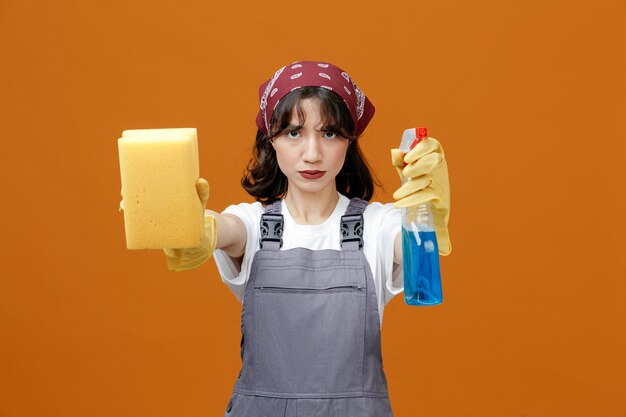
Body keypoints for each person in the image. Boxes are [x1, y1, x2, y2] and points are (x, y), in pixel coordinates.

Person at [163, 61, 451, 417]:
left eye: (329, 133)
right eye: (294, 133)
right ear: (271, 139)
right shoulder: (253, 225)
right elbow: (223, 228)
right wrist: (187, 223)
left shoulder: (378, 225)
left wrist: (425, 214)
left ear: (349, 140)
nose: (312, 153)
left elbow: (410, 248)